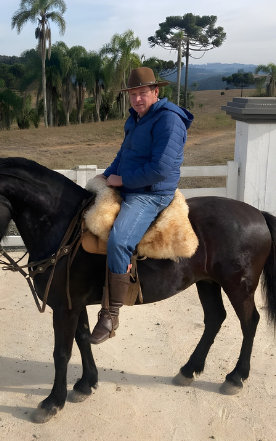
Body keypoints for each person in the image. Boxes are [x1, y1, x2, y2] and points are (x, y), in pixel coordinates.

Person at [89, 67, 194, 344]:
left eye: (142, 93)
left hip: (150, 193)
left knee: (119, 241)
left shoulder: (168, 121)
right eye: (133, 94)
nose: (137, 99)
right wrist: (106, 175)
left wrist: (121, 180)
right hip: (131, 185)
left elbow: (160, 169)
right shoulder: (136, 118)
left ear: (156, 92)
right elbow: (124, 154)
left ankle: (111, 315)